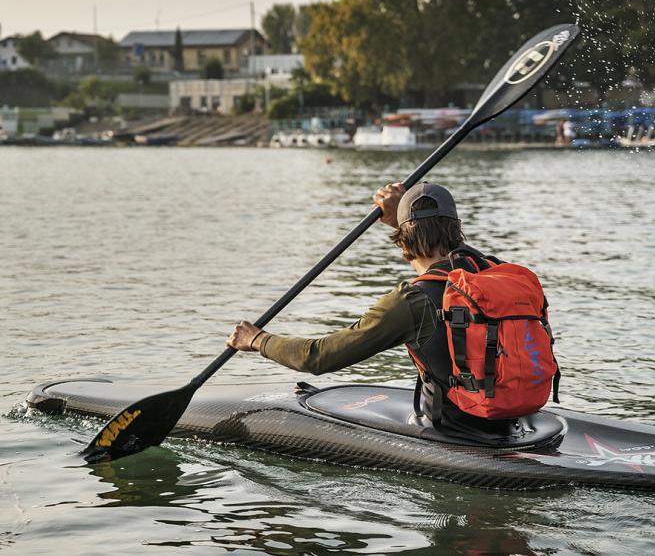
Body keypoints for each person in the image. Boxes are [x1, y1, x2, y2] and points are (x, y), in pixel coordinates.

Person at [227, 182, 551, 442]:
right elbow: (448, 249)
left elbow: (318, 357)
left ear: (403, 239)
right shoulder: (495, 271)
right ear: (457, 229)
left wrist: (257, 340)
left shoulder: (411, 301)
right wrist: (404, 216)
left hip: (452, 434)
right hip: (511, 422)